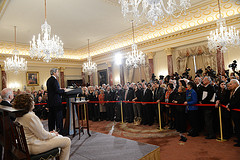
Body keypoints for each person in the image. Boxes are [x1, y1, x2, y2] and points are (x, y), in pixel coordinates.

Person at [13, 93, 71, 160]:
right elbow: (43, 135)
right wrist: (53, 134)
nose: (34, 102)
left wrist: (51, 134)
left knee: (60, 137)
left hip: (26, 146)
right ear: (28, 104)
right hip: (34, 146)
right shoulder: (30, 117)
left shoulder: (18, 116)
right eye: (32, 101)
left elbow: (38, 133)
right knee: (67, 141)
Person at [47, 68, 65, 135]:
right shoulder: (54, 80)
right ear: (54, 73)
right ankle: (60, 132)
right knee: (58, 118)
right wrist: (64, 90)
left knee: (51, 119)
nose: (58, 73)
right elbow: (57, 91)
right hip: (56, 103)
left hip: (51, 102)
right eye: (57, 72)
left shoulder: (49, 80)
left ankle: (51, 132)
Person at [0, 88, 14, 159]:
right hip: (9, 133)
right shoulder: (10, 108)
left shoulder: (1, 105)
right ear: (9, 96)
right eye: (12, 93)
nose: (13, 94)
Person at [228, 79, 240, 147]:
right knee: (237, 126)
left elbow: (236, 101)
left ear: (235, 84)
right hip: (235, 111)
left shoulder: (239, 90)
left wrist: (229, 106)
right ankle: (238, 139)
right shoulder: (235, 90)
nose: (230, 85)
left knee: (238, 126)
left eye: (231, 84)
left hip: (238, 112)